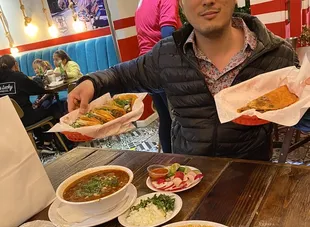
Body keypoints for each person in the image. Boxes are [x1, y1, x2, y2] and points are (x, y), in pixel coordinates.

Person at [68, 0, 304, 161]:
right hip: (188, 176)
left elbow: (301, 115)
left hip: (252, 176)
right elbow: (122, 75)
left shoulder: (277, 54)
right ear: (180, 3)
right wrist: (92, 82)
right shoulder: (166, 54)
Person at [135, 0, 182, 153]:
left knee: (165, 118)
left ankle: (168, 161)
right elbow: (167, 34)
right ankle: (181, 165)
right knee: (179, 120)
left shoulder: (142, 3)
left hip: (147, 66)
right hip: (164, 66)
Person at [0, 55, 61, 153]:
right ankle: (49, 144)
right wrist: (36, 79)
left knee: (35, 108)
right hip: (25, 119)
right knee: (53, 107)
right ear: (15, 64)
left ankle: (40, 141)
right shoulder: (17, 77)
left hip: (9, 123)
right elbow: (39, 89)